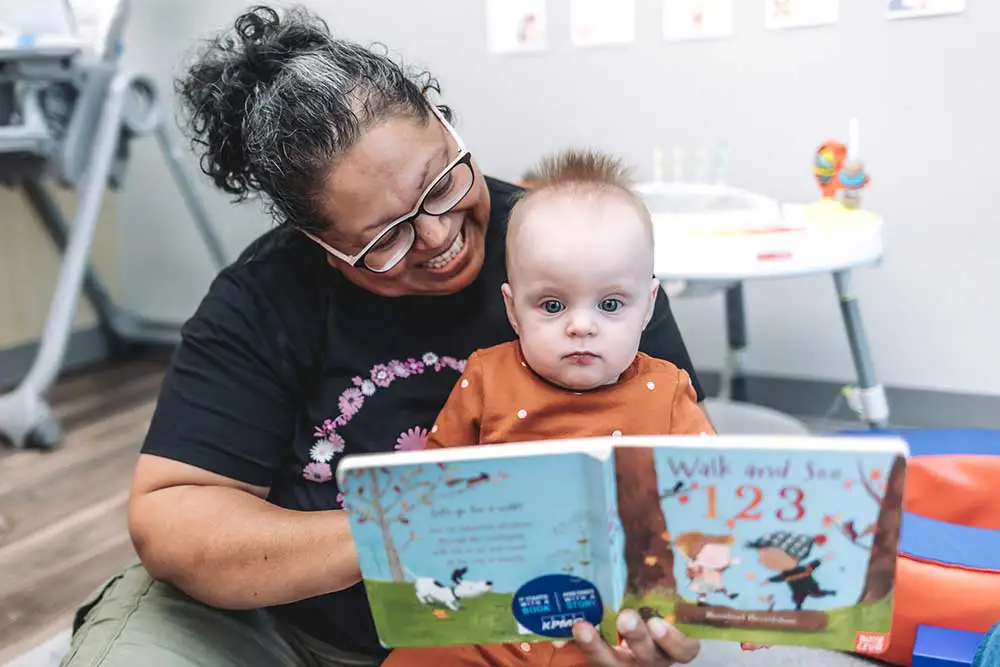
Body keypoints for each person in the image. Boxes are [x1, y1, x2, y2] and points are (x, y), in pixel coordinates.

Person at [61, 5, 705, 667]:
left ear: (442, 118)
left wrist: (662, 616)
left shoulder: (574, 256)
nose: (437, 237)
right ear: (318, 242)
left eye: (441, 181)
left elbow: (691, 490)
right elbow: (172, 519)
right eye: (385, 237)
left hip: (543, 628)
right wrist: (399, 535)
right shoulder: (265, 295)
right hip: (295, 629)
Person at [377, 149, 716, 667]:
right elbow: (428, 487)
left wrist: (738, 601)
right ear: (513, 310)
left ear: (647, 307)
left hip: (606, 620)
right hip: (486, 615)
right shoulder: (486, 377)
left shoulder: (666, 391)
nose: (581, 326)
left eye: (610, 304)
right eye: (553, 306)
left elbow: (714, 500)